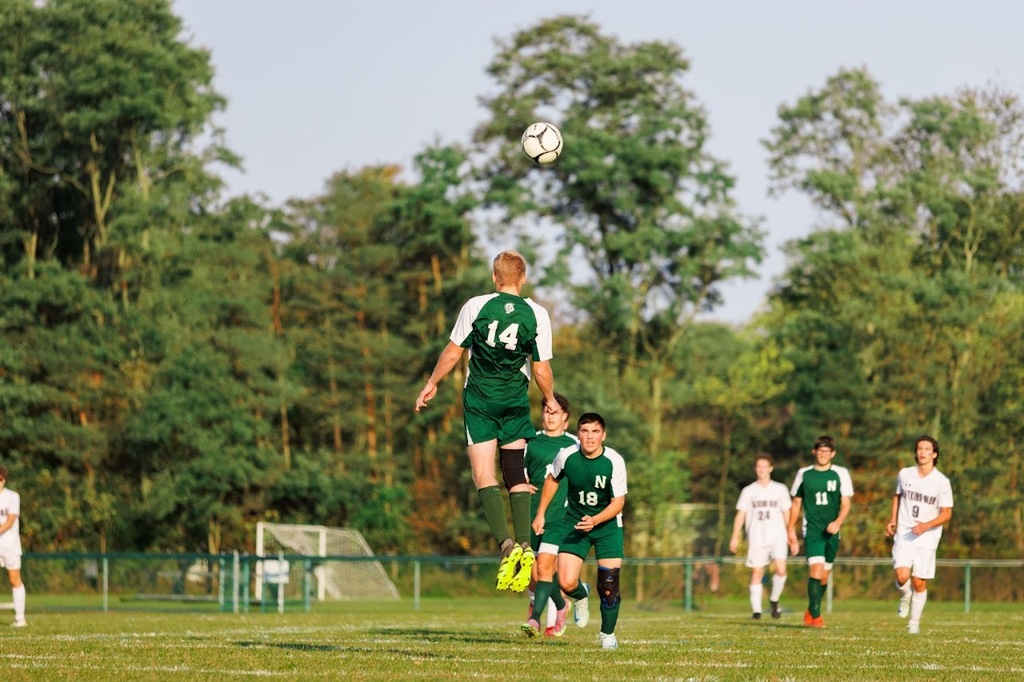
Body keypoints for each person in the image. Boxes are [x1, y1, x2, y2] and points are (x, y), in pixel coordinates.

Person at [415, 250, 556, 593]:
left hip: (479, 402)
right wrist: (550, 399)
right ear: (522, 279)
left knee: (483, 475)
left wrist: (432, 383)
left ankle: (506, 544)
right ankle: (524, 544)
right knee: (515, 474)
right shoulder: (537, 314)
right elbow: (540, 368)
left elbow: (453, 352)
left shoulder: (476, 306)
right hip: (513, 402)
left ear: (495, 278)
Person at [534, 412, 628, 650]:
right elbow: (552, 479)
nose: (590, 437)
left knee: (609, 585)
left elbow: (618, 503)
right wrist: (541, 513)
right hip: (575, 523)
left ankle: (607, 634)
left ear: (603, 435)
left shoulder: (614, 461)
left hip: (607, 527)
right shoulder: (566, 455)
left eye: (595, 431)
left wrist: (595, 520)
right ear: (578, 434)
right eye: (585, 431)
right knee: (566, 583)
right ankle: (581, 594)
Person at [884, 435, 953, 635]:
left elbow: (947, 513)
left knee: (919, 581)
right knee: (902, 575)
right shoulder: (905, 474)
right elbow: (897, 497)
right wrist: (892, 519)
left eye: (926, 449)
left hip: (928, 536)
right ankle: (905, 596)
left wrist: (927, 525)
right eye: (919, 448)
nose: (922, 452)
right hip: (905, 532)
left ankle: (914, 623)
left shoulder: (941, 481)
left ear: (934, 454)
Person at [521, 393, 576, 637]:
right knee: (533, 575)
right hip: (530, 512)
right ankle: (561, 604)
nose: (550, 416)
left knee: (545, 566)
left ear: (565, 417)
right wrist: (519, 481)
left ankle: (537, 620)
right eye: (546, 411)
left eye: (555, 412)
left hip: (559, 516)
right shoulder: (530, 441)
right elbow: (514, 469)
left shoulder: (575, 444)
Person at [786, 434, 853, 628]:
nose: (823, 454)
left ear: (832, 453)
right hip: (813, 530)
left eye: (827, 451)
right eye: (820, 451)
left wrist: (838, 522)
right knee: (815, 569)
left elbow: (846, 503)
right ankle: (816, 616)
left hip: (832, 531)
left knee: (824, 575)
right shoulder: (804, 474)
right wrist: (790, 528)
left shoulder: (841, 473)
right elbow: (796, 503)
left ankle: (811, 609)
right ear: (814, 452)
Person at [729, 453, 793, 620]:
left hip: (778, 535)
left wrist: (791, 534)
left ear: (771, 468)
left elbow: (787, 513)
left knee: (781, 568)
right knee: (757, 572)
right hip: (757, 536)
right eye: (759, 466)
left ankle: (774, 599)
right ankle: (756, 610)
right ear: (755, 469)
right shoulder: (749, 491)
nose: (762, 470)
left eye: (765, 466)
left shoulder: (780, 489)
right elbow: (740, 515)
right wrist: (735, 536)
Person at [0, 464, 27, 627]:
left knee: (14, 578)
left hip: (9, 545)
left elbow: (10, 522)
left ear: (4, 479)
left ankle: (20, 618)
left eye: (0, 479)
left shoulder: (12, 496)